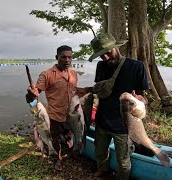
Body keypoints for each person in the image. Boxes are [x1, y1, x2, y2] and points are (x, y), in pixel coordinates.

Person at [88, 33, 149, 180]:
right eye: (101, 55)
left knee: (123, 158)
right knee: (100, 151)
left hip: (124, 124)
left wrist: (140, 99)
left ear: (116, 47)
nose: (106, 58)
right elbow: (100, 91)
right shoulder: (101, 66)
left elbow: (144, 98)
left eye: (108, 52)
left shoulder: (137, 67)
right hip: (102, 119)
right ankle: (103, 170)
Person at [26, 45, 89, 171]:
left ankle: (71, 152)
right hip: (55, 115)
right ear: (57, 57)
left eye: (70, 57)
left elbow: (74, 91)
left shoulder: (73, 73)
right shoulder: (47, 75)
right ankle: (57, 159)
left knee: (70, 135)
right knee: (55, 140)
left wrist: (89, 91)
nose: (67, 60)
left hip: (71, 114)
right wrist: (31, 95)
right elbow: (33, 97)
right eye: (63, 57)